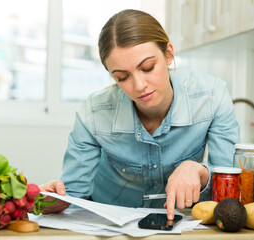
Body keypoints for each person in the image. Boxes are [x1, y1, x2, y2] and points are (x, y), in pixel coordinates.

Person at [40, 9, 239, 220]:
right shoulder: (93, 113)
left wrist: (200, 172)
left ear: (169, 54)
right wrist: (51, 200)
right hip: (109, 228)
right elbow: (72, 193)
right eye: (122, 77)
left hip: (181, 226)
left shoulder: (212, 97)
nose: (139, 86)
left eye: (148, 67)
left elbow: (228, 187)